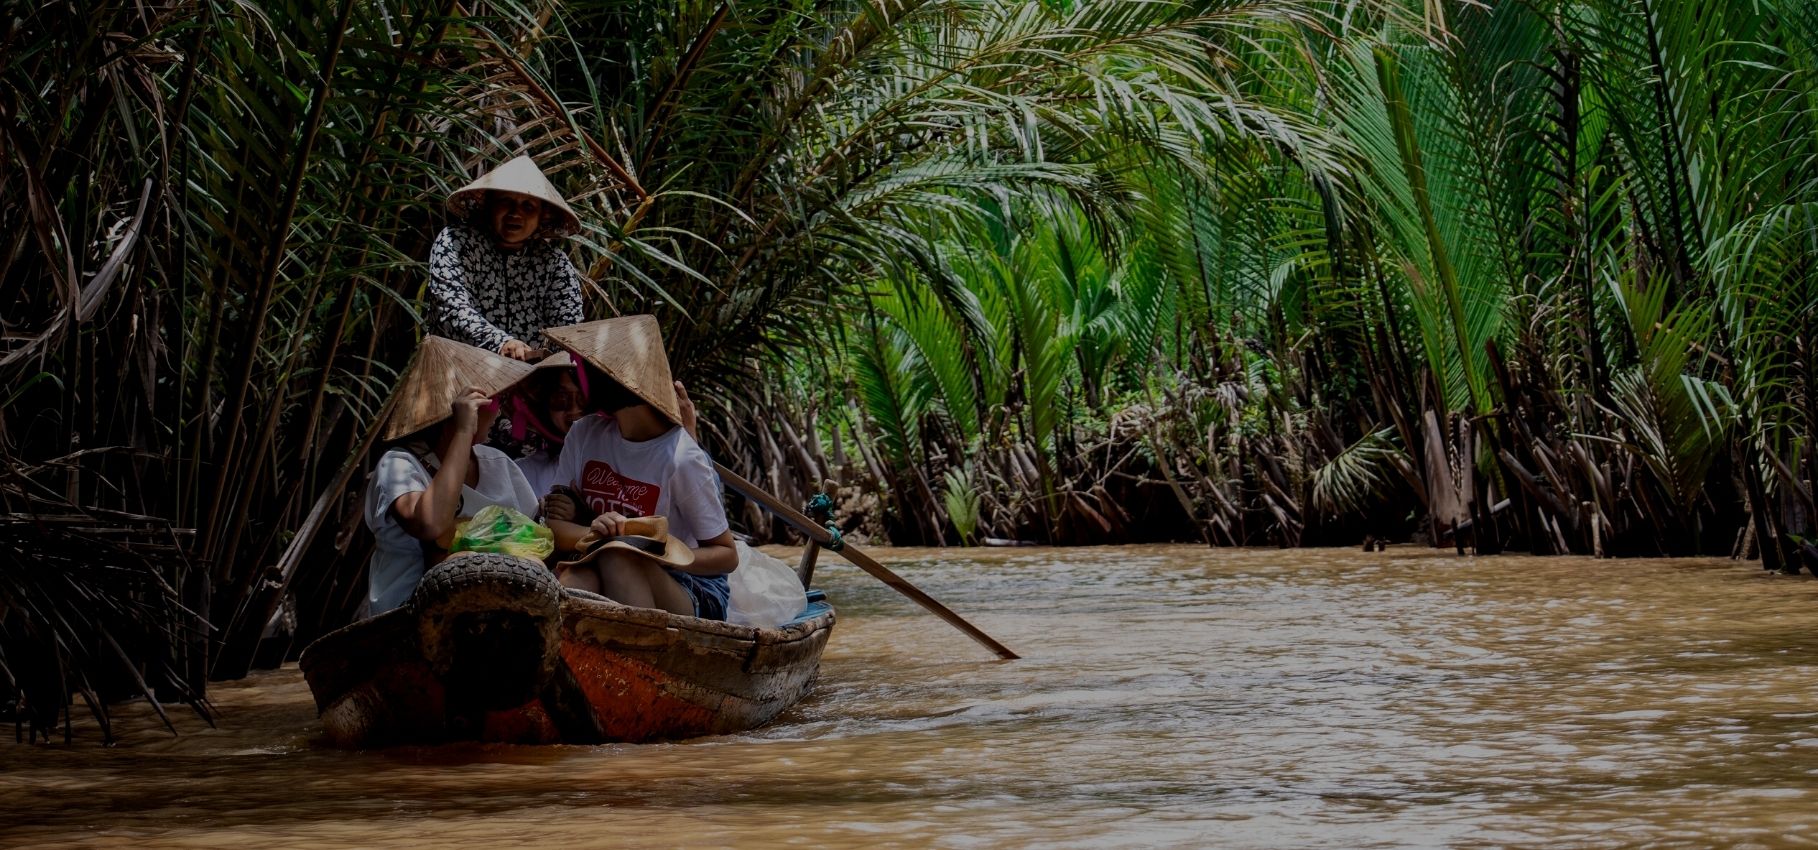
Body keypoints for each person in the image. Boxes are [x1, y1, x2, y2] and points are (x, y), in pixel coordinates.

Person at [541, 316, 738, 620]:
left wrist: (654, 550)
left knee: (617, 557)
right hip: (601, 559)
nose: (581, 378)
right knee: (579, 577)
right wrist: (599, 533)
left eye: (588, 370)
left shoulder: (681, 458)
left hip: (691, 587)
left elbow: (726, 555)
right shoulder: (584, 434)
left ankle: (643, 656)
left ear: (615, 380)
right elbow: (554, 526)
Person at [363, 337, 540, 615]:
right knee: (465, 565)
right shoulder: (400, 464)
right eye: (492, 401)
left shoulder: (498, 463)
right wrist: (462, 432)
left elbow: (531, 534)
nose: (498, 412)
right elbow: (431, 524)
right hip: (408, 614)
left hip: (503, 610)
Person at [428, 155, 584, 362]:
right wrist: (502, 343)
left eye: (528, 206)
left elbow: (569, 330)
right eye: (506, 202)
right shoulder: (457, 241)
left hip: (529, 381)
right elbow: (450, 309)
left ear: (542, 217)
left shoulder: (554, 263)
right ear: (489, 206)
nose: (515, 214)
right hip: (459, 372)